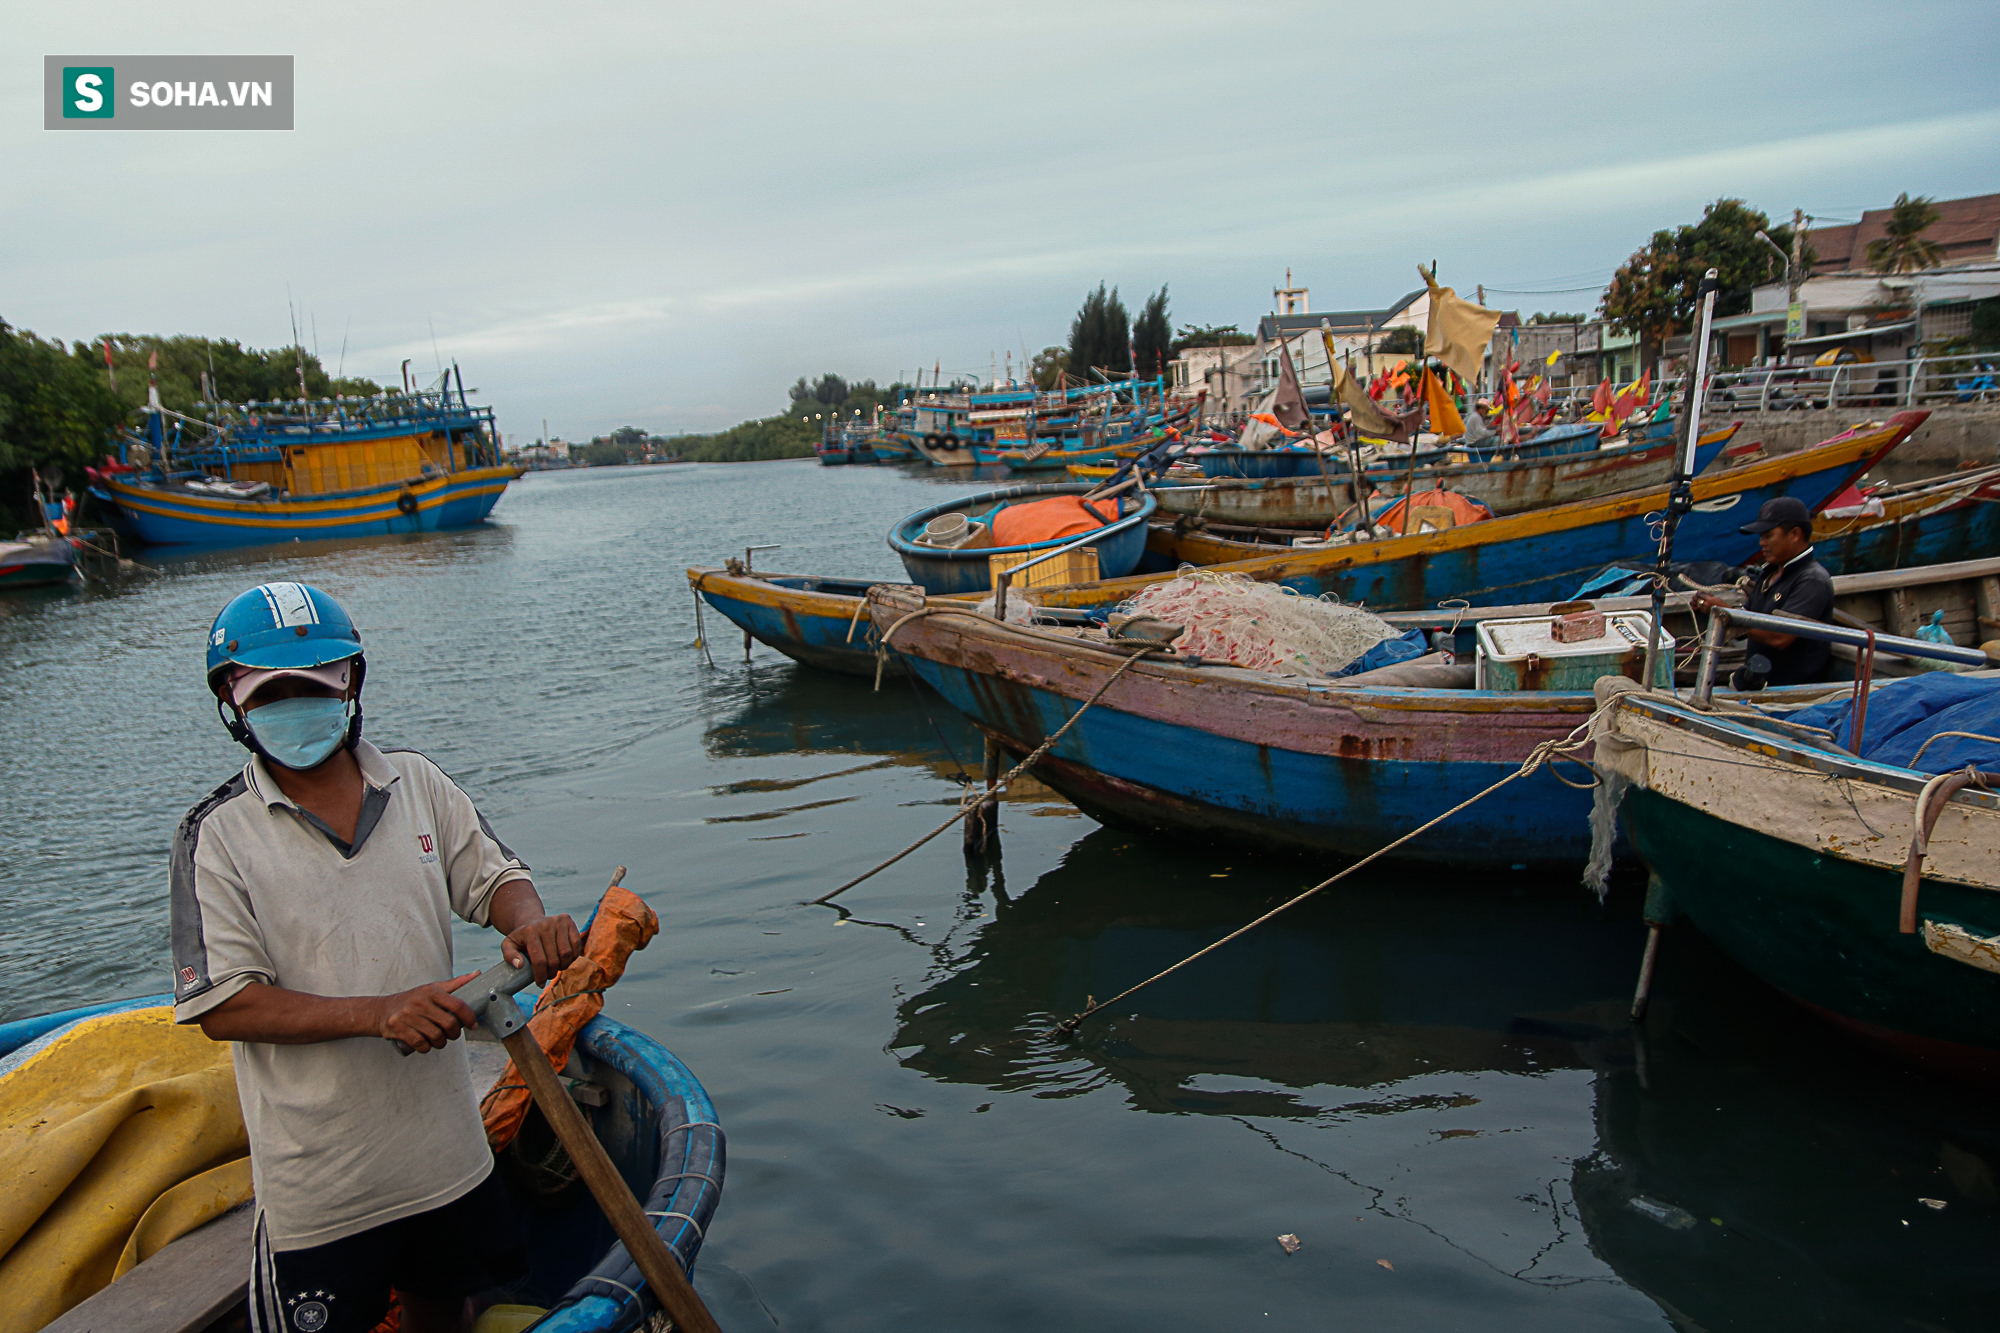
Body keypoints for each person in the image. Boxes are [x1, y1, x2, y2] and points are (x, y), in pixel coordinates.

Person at [170, 582, 582, 1333]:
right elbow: (224, 1004)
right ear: (232, 702)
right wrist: (379, 1013)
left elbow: (495, 878)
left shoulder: (416, 782)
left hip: (444, 1158)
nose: (295, 705)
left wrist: (529, 924)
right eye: (270, 694)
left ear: (350, 682)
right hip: (322, 1188)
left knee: (445, 1313)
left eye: (313, 685)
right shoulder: (218, 835)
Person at [1692, 495, 1835, 689]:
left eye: (1768, 536)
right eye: (1761, 537)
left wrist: (1727, 614)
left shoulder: (1812, 580)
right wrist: (1709, 608)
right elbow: (1745, 627)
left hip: (1792, 691)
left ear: (1794, 534)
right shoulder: (1769, 574)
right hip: (1759, 685)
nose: (1761, 543)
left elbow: (1780, 637)